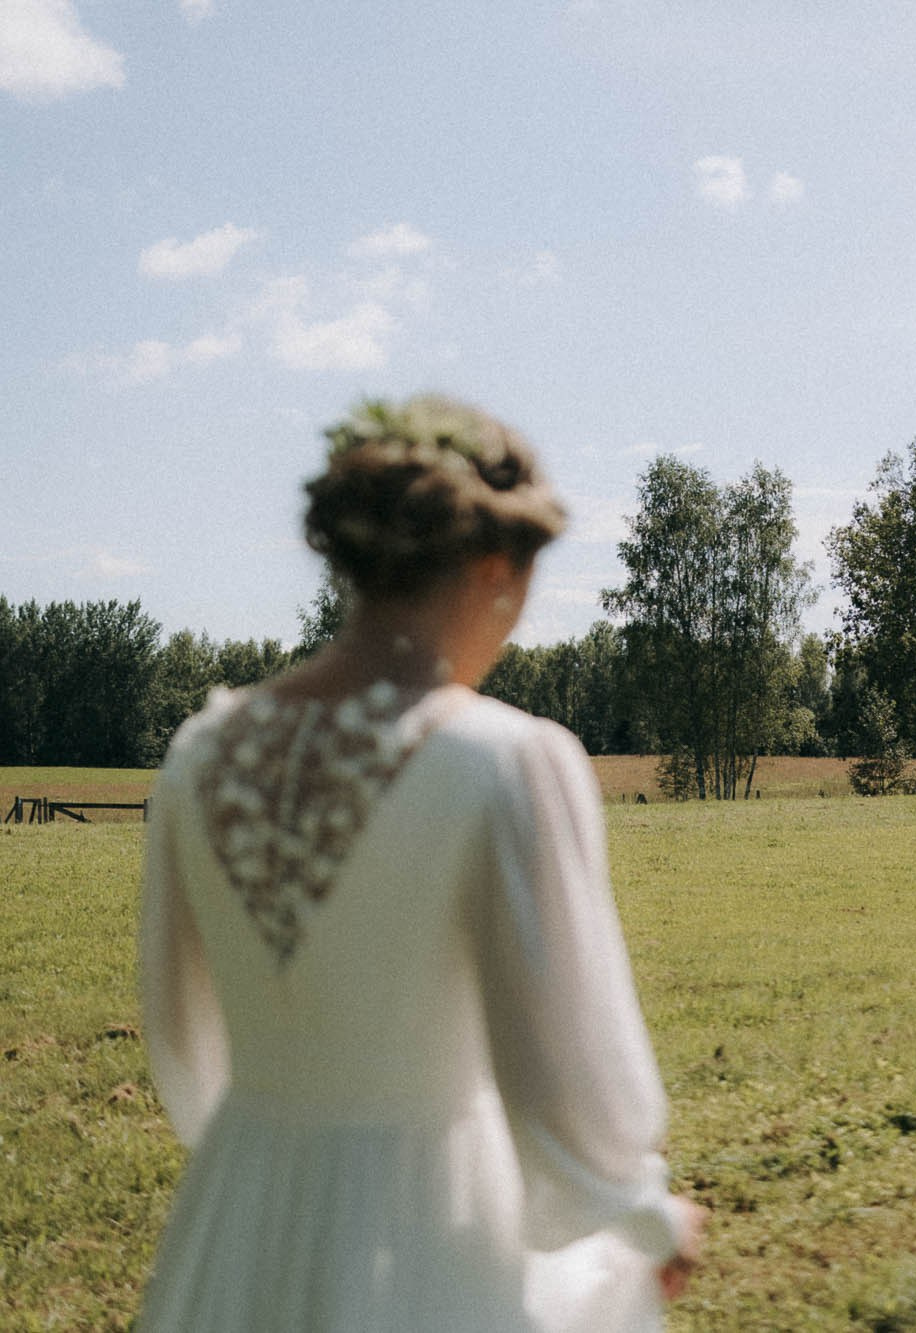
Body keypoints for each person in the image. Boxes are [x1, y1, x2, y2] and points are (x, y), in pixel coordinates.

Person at [137, 396, 703, 1331]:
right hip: (435, 1218)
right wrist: (644, 1212)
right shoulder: (506, 759)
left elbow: (181, 1033)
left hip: (238, 1210)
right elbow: (563, 1061)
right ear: (494, 570)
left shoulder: (198, 752)